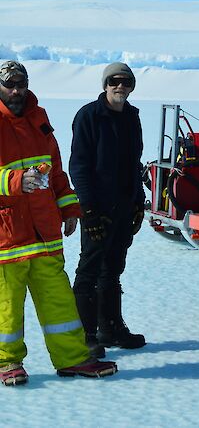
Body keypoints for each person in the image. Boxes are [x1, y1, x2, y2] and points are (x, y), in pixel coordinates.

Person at [0, 60, 117, 386]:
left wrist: (69, 209)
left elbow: (54, 173)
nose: (16, 90)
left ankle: (73, 359)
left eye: (21, 83)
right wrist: (13, 181)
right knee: (6, 309)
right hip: (7, 238)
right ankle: (6, 363)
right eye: (10, 84)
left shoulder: (38, 119)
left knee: (60, 304)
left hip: (45, 234)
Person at [69, 62, 146, 358]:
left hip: (124, 207)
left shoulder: (131, 117)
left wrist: (139, 201)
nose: (120, 87)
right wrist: (87, 211)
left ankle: (110, 329)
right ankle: (84, 336)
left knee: (113, 269)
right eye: (114, 81)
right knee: (88, 270)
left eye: (126, 82)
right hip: (97, 208)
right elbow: (79, 167)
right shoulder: (89, 116)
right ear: (105, 84)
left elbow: (133, 164)